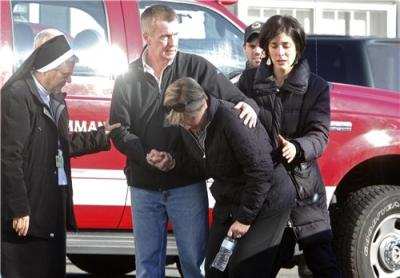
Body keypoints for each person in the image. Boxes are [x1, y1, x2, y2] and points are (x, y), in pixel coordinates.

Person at [109, 4, 258, 278]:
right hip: (143, 185)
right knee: (147, 267)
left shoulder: (196, 67)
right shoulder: (126, 79)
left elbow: (236, 98)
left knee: (196, 265)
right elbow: (118, 130)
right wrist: (145, 155)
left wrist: (250, 107)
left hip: (187, 183)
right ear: (147, 37)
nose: (172, 42)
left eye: (176, 35)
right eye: (165, 36)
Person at [1, 30, 119, 277]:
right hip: (29, 210)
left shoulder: (54, 97)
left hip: (53, 200)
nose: (69, 79)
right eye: (65, 74)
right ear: (47, 69)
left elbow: (61, 144)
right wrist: (20, 208)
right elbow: (9, 157)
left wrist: (101, 135)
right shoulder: (18, 96)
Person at [238, 15, 341, 277]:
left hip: (303, 186)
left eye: (286, 45)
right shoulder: (249, 81)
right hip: (266, 187)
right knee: (261, 264)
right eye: (273, 45)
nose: (280, 52)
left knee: (322, 262)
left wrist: (297, 147)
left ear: (297, 46)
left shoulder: (316, 87)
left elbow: (320, 135)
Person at [163, 77, 295, 278]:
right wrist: (173, 163)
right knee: (216, 269)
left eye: (190, 119)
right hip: (231, 201)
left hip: (267, 200)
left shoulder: (232, 120)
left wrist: (244, 219)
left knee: (244, 269)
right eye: (182, 121)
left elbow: (261, 171)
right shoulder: (190, 127)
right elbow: (207, 165)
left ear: (204, 102)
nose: (187, 126)